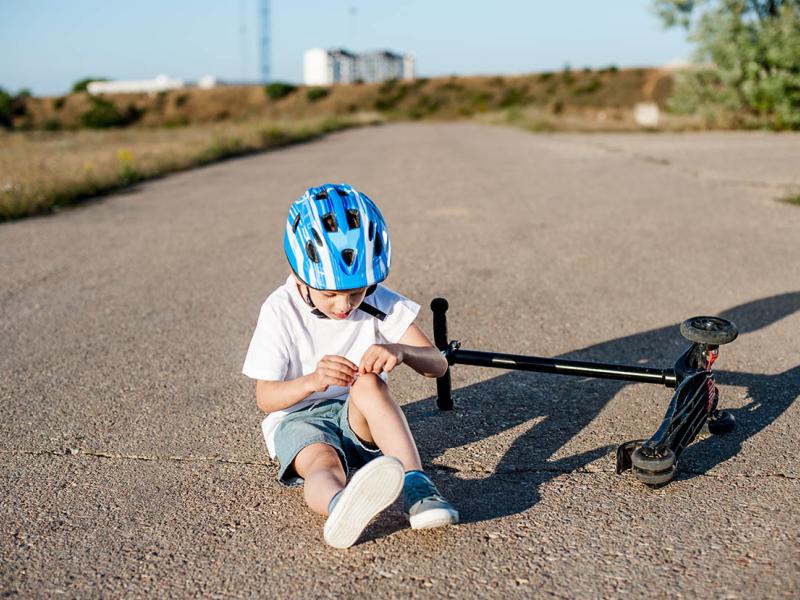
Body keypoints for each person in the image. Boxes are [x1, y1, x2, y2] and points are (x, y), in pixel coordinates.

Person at [242, 183, 459, 548]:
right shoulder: (279, 310)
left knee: (370, 384)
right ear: (299, 275)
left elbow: (437, 365)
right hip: (299, 419)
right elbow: (266, 397)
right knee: (322, 465)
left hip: (359, 417)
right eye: (330, 294)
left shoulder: (377, 300)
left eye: (356, 292)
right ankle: (341, 505)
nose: (344, 305)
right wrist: (312, 380)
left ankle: (417, 487)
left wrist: (401, 350)